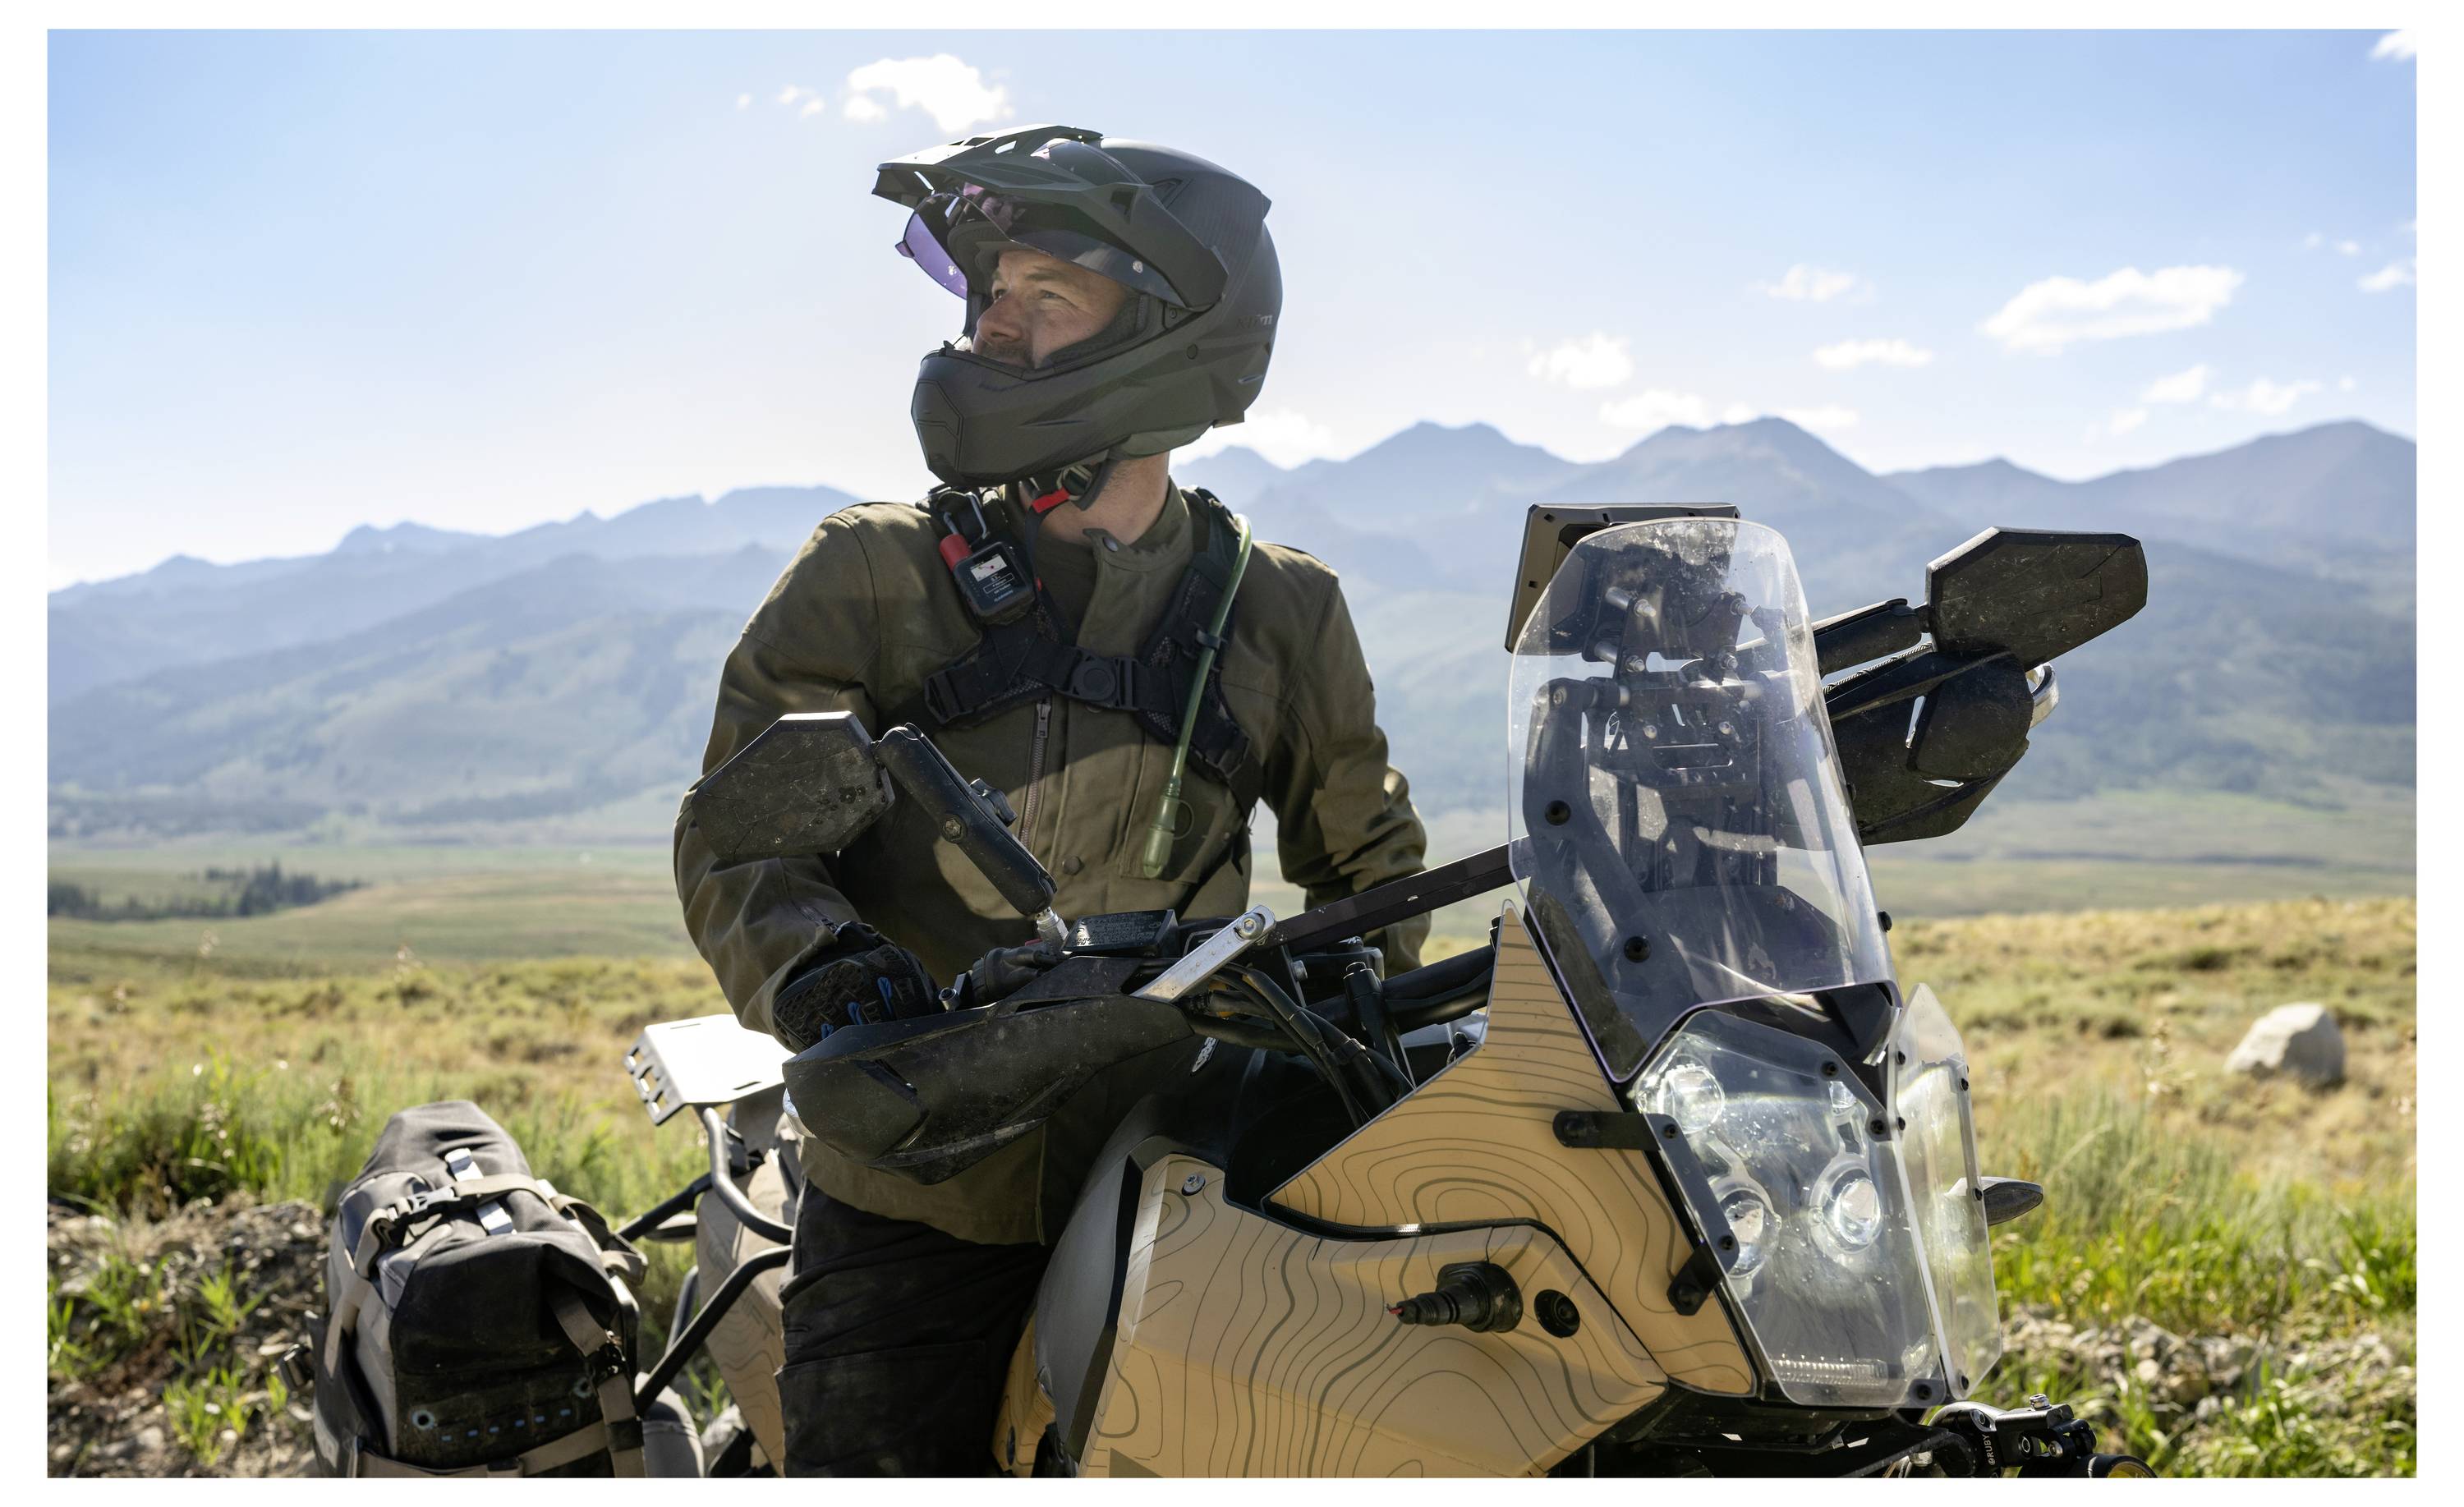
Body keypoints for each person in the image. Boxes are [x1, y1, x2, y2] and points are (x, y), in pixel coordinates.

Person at [673, 126, 1427, 1477]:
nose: (989, 331)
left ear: (1163, 337)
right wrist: (828, 981)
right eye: (986, 297)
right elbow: (740, 840)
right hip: (918, 1185)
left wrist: (1357, 1011)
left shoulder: (1282, 610)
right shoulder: (874, 574)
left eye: (1041, 298)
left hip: (1185, 1177)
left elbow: (1367, 874)